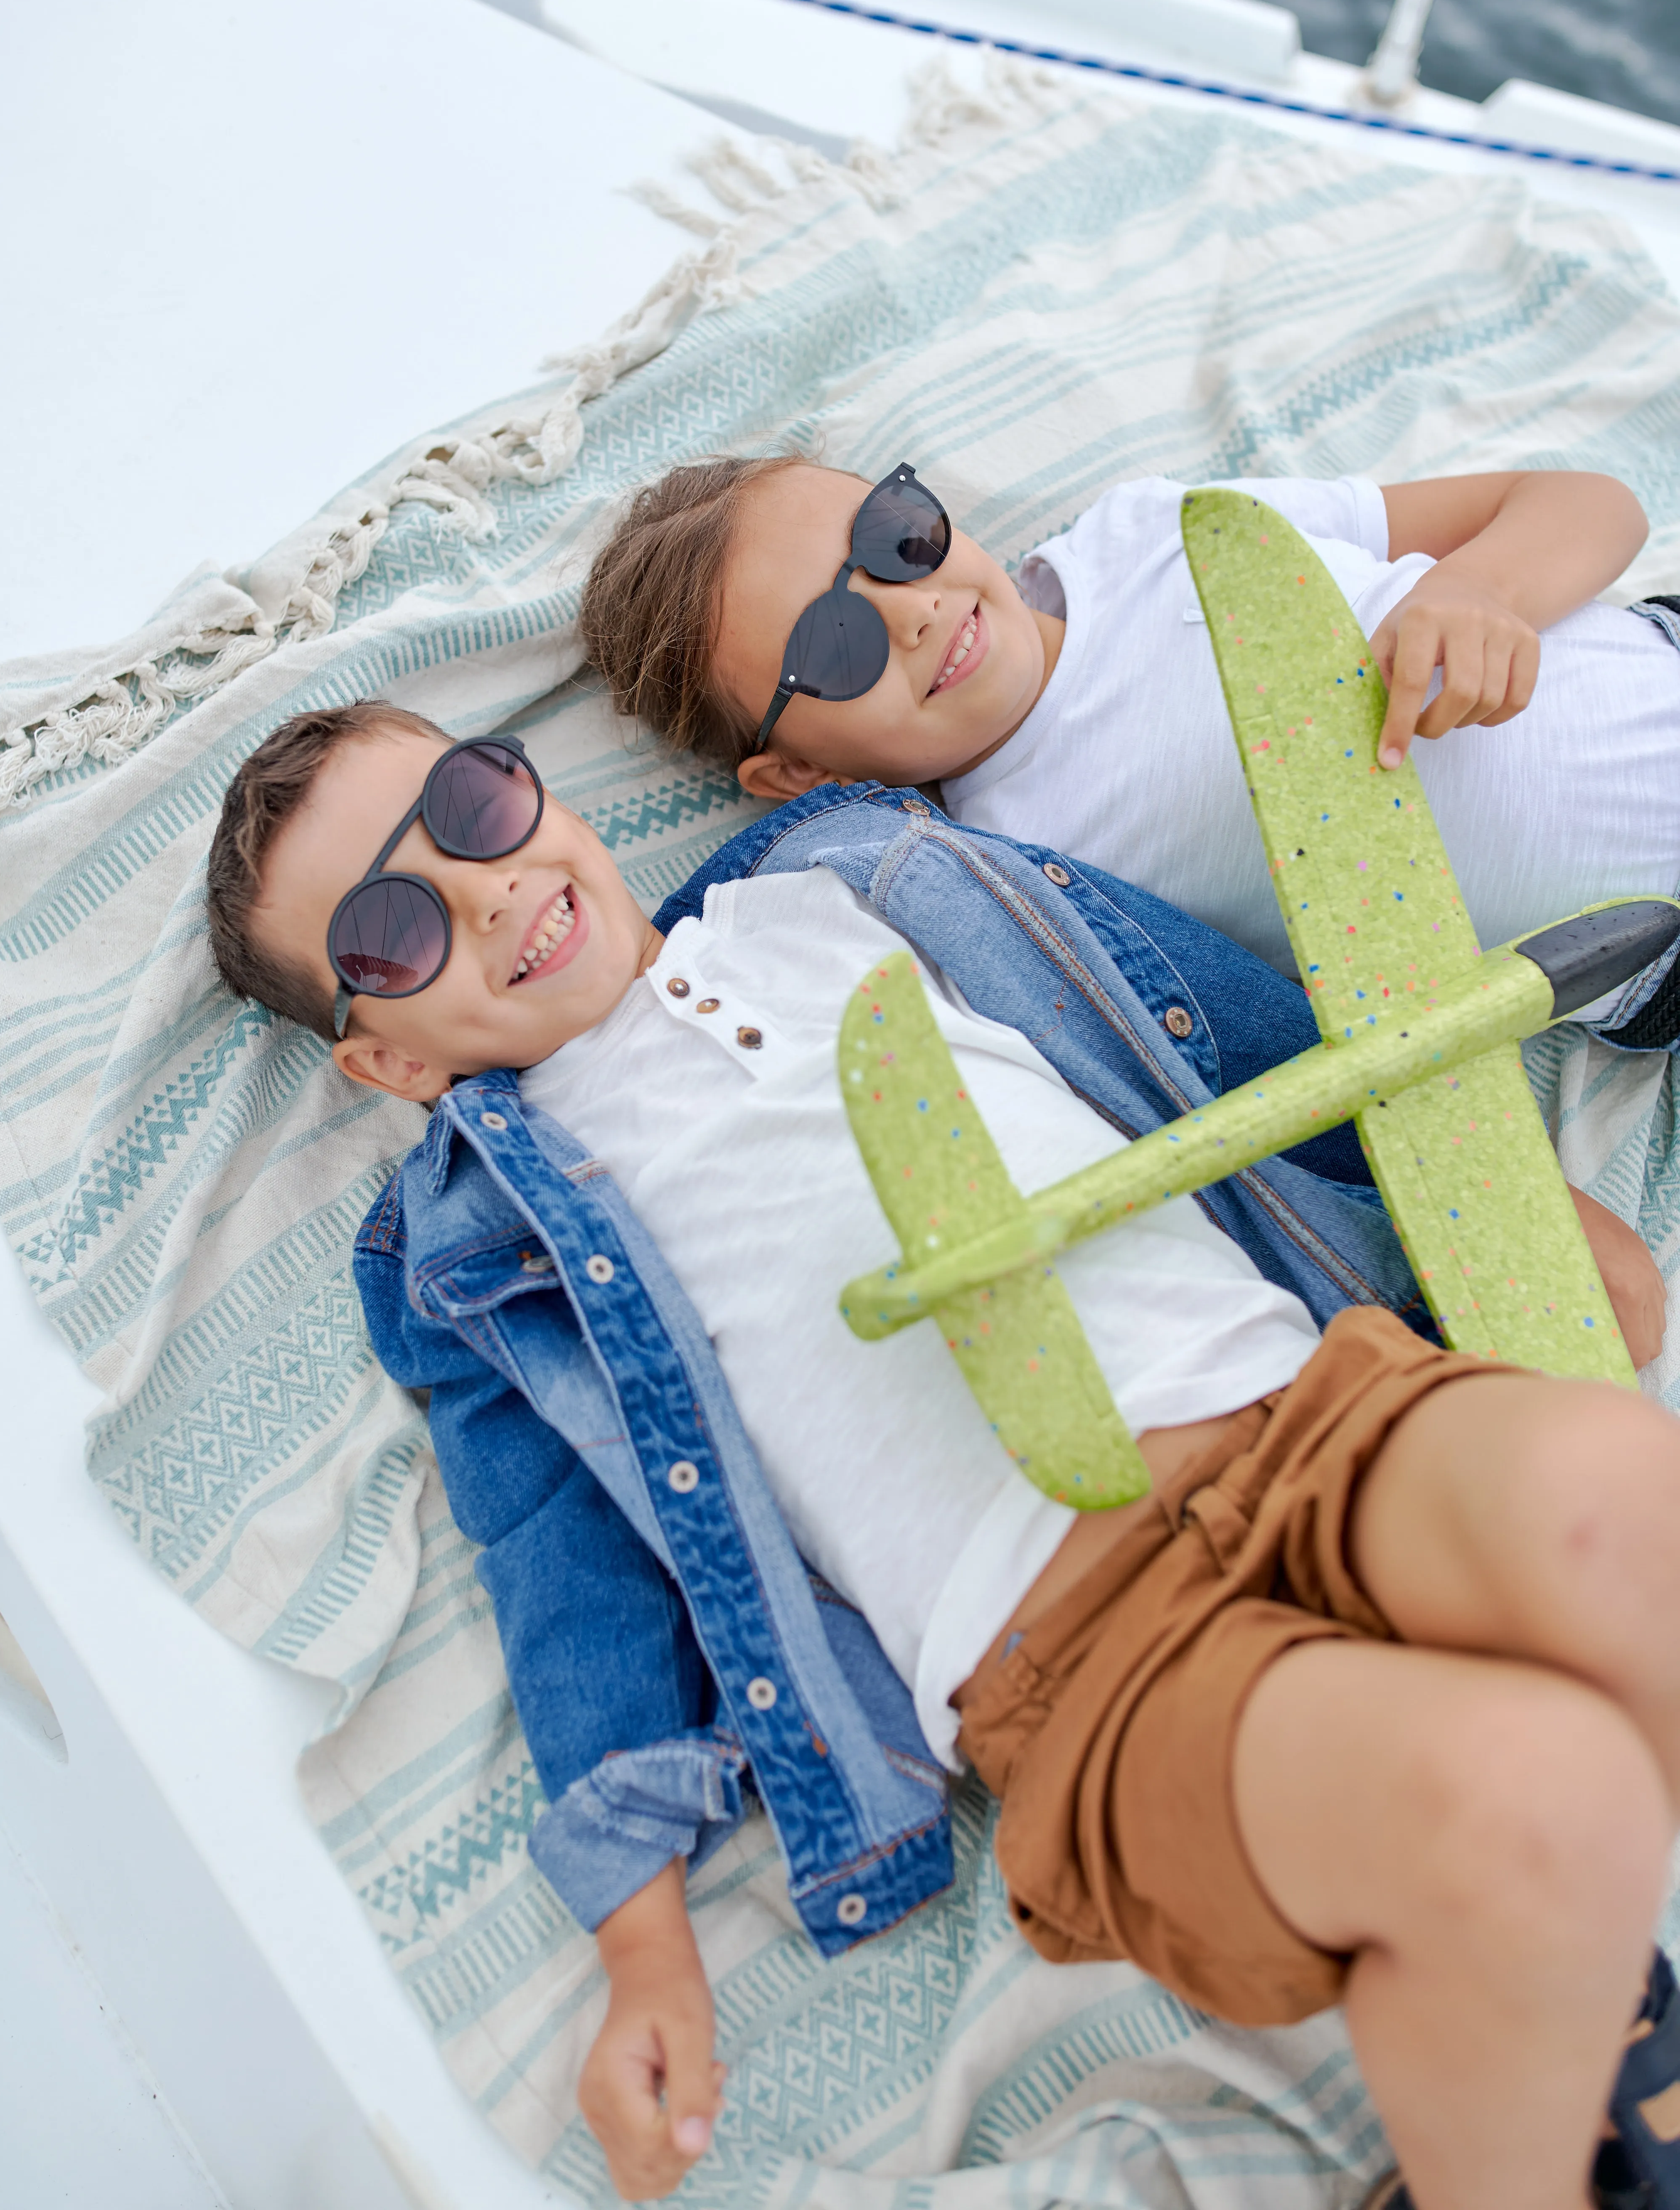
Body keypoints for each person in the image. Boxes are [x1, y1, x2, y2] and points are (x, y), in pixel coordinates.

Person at [209, 701, 1680, 2210]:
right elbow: (559, 1572)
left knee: (1631, 1502)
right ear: (382, 1061)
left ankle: (1568, 1989)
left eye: (470, 803)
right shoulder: (482, 1242)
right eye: (392, 931)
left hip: (1319, 1416)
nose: (484, 890)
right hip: (1090, 1649)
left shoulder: (859, 875)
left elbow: (1209, 1019)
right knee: (1535, 1806)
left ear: (533, 787)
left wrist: (1488, 1193)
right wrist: (641, 1946)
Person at [578, 456, 1680, 1045]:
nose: (907, 609)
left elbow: (1585, 501)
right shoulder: (1017, 874)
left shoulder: (1152, 533)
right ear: (804, 775)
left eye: (893, 538)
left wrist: (1481, 588)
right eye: (833, 641)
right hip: (1654, 964)